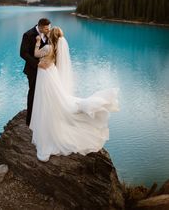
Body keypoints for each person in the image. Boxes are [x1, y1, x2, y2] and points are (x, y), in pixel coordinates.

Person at [29, 26, 119, 162]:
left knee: (46, 98)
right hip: (51, 73)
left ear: (51, 36)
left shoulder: (47, 47)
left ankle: (48, 126)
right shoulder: (56, 48)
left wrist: (37, 42)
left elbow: (36, 54)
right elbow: (49, 61)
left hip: (46, 76)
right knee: (53, 98)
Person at [20, 18, 51, 126]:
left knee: (44, 92)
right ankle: (30, 121)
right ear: (41, 27)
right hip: (33, 69)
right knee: (33, 92)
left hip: (46, 71)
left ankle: (41, 117)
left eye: (49, 28)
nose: (48, 30)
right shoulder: (28, 34)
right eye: (47, 28)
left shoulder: (47, 34)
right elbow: (23, 53)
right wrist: (37, 64)